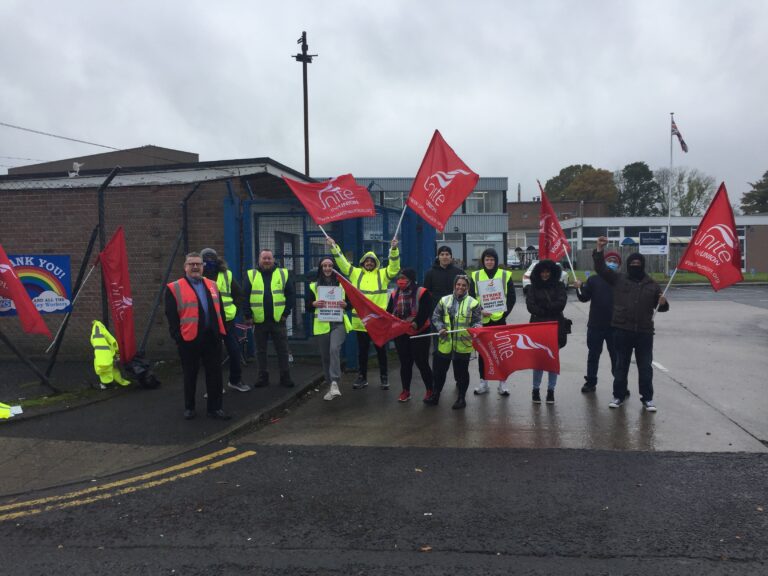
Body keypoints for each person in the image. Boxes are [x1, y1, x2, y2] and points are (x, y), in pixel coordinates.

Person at [594, 236, 669, 412]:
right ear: (628, 265)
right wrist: (599, 250)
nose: (635, 265)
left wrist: (663, 303)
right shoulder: (619, 279)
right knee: (621, 366)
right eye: (632, 263)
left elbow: (662, 307)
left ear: (642, 265)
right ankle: (618, 396)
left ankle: (647, 399)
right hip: (622, 329)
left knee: (645, 367)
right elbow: (601, 269)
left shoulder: (652, 284)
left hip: (644, 332)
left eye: (638, 263)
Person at [328, 236, 400, 390]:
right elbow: (342, 263)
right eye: (366, 261)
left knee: (381, 350)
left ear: (375, 263)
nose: (369, 263)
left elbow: (394, 268)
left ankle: (384, 377)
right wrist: (334, 247)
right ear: (362, 263)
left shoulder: (383, 274)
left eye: (372, 261)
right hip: (361, 321)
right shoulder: (355, 273)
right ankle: (362, 377)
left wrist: (393, 250)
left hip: (378, 321)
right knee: (362, 352)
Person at [165, 252, 230, 420]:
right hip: (189, 339)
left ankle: (215, 409)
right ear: (185, 267)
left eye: (198, 264)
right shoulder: (174, 287)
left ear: (203, 267)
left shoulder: (212, 285)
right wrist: (177, 337)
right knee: (190, 375)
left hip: (212, 338)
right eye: (191, 264)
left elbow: (219, 311)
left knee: (215, 375)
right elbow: (171, 315)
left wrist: (221, 332)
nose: (195, 267)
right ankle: (189, 408)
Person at [243, 249, 296, 388]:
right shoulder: (251, 275)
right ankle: (262, 378)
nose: (266, 261)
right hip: (259, 321)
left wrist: (285, 313)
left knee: (282, 350)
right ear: (259, 260)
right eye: (264, 258)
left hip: (278, 320)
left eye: (269, 258)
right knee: (260, 351)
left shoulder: (283, 274)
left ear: (273, 260)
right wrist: (248, 315)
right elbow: (245, 296)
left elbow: (290, 295)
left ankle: (285, 377)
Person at [429, 275, 482, 410]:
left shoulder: (473, 303)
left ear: (468, 287)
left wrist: (475, 328)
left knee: (461, 374)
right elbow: (435, 316)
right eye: (458, 284)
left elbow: (478, 322)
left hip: (462, 346)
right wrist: (440, 327)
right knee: (439, 373)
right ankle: (435, 395)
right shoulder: (444, 300)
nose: (460, 287)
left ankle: (461, 398)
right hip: (445, 344)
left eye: (464, 285)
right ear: (454, 285)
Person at [200, 247, 249, 393]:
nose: (209, 262)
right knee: (212, 356)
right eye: (206, 259)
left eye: (211, 258)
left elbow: (239, 294)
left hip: (227, 321)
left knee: (234, 351)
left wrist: (234, 310)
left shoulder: (226, 274)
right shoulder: (197, 277)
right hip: (208, 322)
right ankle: (214, 387)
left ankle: (235, 380)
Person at [469, 248, 516, 396]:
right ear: (483, 261)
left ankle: (503, 383)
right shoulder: (476, 275)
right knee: (483, 353)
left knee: (501, 352)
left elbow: (512, 298)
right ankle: (484, 382)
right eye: (487, 259)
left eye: (492, 259)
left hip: (500, 320)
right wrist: (479, 311)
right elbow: (470, 297)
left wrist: (503, 313)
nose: (489, 262)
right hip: (482, 320)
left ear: (496, 261)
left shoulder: (505, 275)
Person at [574, 251, 621, 394]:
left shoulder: (621, 280)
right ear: (604, 263)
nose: (612, 263)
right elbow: (584, 297)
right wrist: (579, 287)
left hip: (615, 326)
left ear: (619, 265)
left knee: (617, 358)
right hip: (595, 325)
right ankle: (591, 382)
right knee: (593, 355)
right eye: (609, 260)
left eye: (615, 261)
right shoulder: (594, 280)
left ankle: (620, 384)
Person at [386, 268, 434, 403]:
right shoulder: (395, 293)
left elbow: (425, 310)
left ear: (411, 280)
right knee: (405, 363)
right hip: (401, 333)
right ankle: (405, 390)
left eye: (404, 278)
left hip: (419, 332)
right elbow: (389, 311)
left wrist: (416, 323)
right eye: (399, 278)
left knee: (422, 362)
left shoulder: (422, 292)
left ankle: (430, 389)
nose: (401, 281)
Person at [308, 257, 351, 401]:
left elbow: (350, 303)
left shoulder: (342, 285)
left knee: (334, 350)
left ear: (334, 268)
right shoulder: (314, 286)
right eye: (324, 265)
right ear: (320, 268)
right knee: (326, 357)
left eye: (330, 265)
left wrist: (346, 305)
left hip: (338, 323)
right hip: (322, 324)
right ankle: (330, 385)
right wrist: (314, 303)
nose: (327, 268)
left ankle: (334, 382)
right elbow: (307, 306)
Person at [525, 259, 568, 404]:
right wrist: (547, 308)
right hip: (538, 327)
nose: (545, 274)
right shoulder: (533, 287)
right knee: (538, 361)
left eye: (547, 271)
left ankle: (551, 390)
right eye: (542, 272)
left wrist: (545, 307)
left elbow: (561, 303)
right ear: (538, 273)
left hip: (555, 326)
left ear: (552, 272)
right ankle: (535, 389)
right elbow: (530, 305)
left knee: (552, 360)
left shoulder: (560, 285)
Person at [423, 245, 464, 355]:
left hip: (457, 314)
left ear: (451, 257)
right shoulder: (430, 273)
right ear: (438, 257)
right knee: (439, 347)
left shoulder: (459, 273)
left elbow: (466, 293)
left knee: (457, 345)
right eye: (442, 254)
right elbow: (425, 295)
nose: (445, 257)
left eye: (447, 254)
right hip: (438, 315)